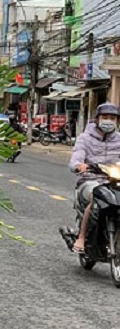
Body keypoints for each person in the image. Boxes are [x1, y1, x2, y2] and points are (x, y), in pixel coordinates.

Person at [69, 102, 120, 252]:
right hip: (91, 179)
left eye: (112, 118)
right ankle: (82, 238)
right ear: (97, 119)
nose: (108, 121)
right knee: (95, 196)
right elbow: (76, 157)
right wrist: (79, 165)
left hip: (114, 180)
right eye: (105, 117)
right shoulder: (84, 138)